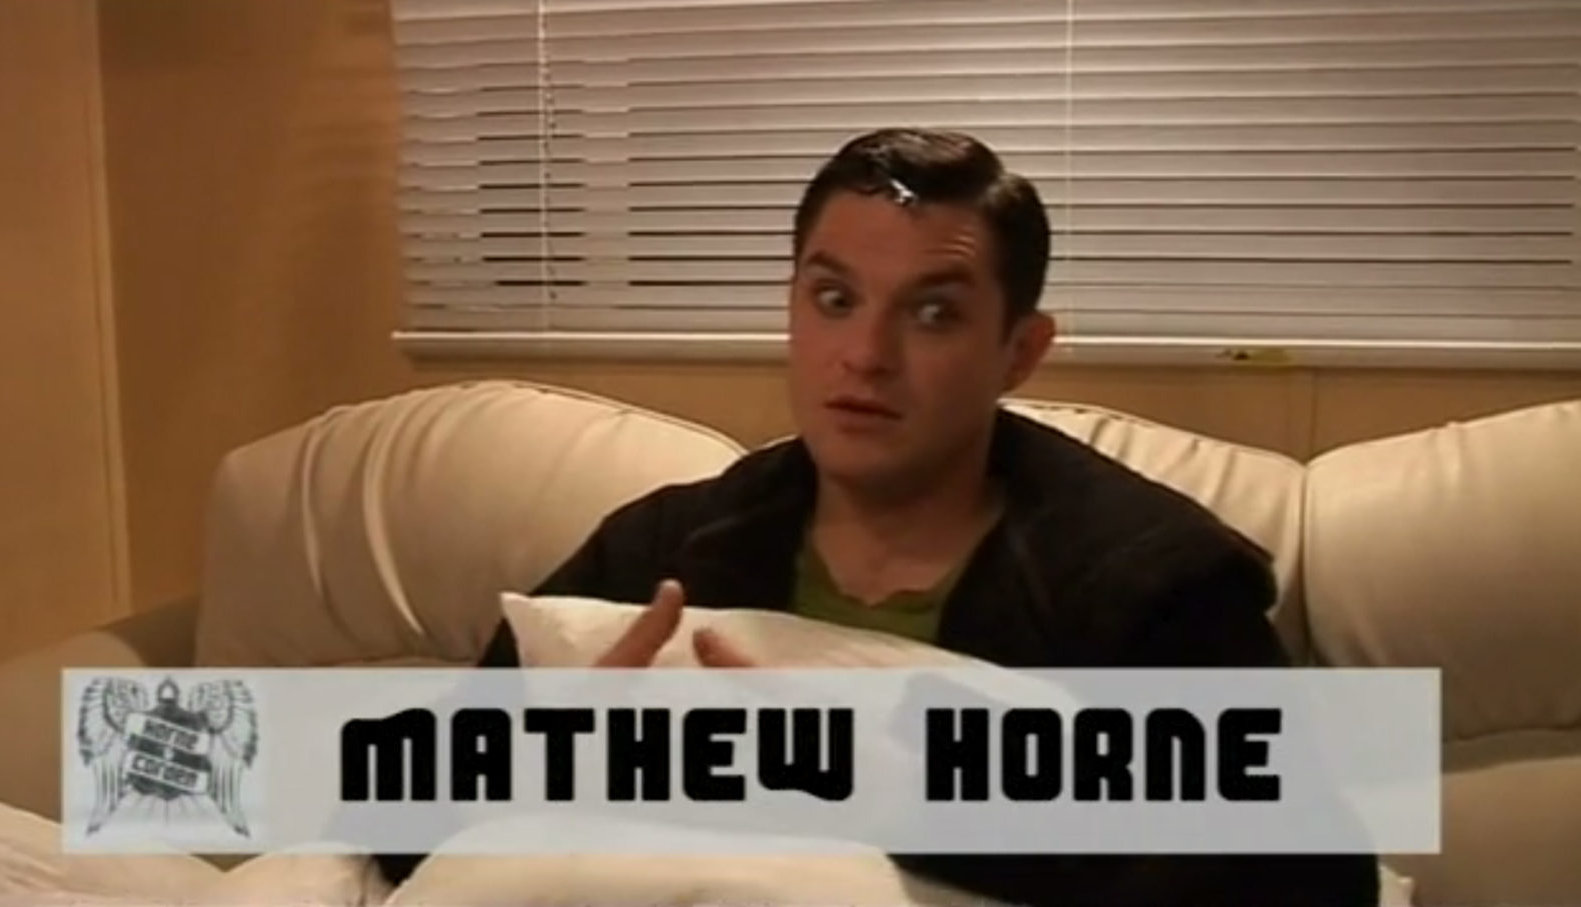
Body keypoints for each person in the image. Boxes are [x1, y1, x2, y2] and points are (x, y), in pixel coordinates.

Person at [377, 128, 1379, 906]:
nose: (865, 354)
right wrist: (547, 760)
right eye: (833, 299)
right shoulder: (659, 551)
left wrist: (920, 796)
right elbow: (385, 815)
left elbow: (1313, 881)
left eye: (933, 312)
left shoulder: (1150, 585)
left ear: (1019, 351)